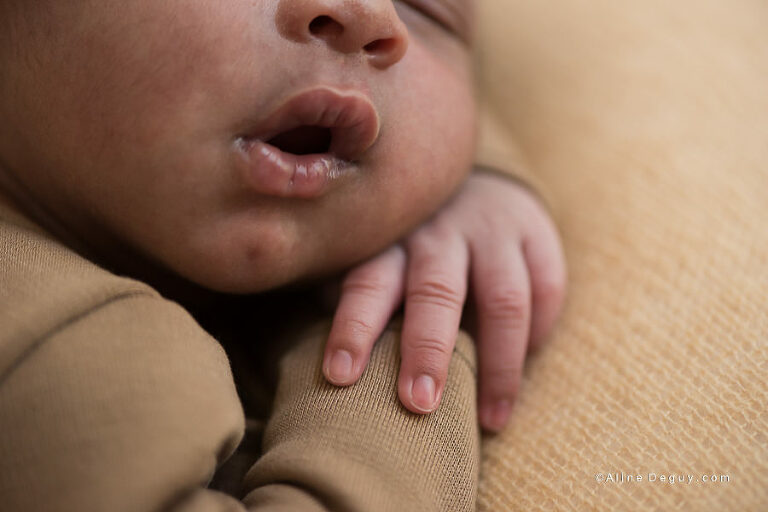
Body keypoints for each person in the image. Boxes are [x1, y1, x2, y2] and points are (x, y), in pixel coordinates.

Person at [0, 0, 566, 510]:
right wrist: (382, 353)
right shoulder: (45, 348)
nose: (370, 16)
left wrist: (472, 179)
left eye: (427, 9)